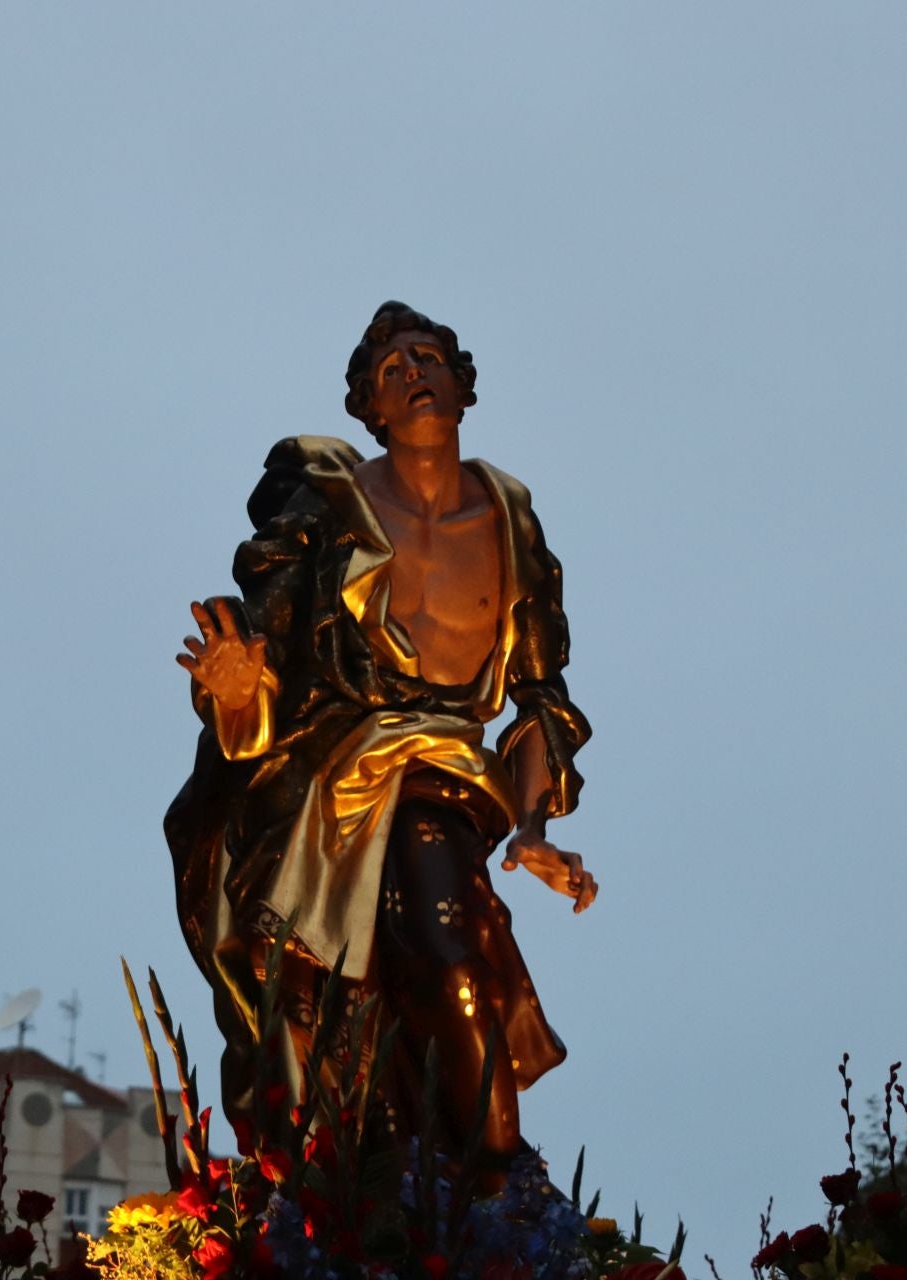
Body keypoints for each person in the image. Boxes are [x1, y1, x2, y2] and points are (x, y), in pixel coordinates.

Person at [165, 301, 595, 1175]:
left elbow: (540, 693)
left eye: (429, 358)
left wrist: (533, 828)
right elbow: (263, 662)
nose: (416, 374)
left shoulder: (510, 514)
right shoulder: (329, 510)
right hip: (328, 774)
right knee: (357, 995)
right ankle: (451, 1197)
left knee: (447, 958)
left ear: (463, 386)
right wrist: (239, 694)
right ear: (371, 408)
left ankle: (491, 1193)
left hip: (450, 778)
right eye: (393, 370)